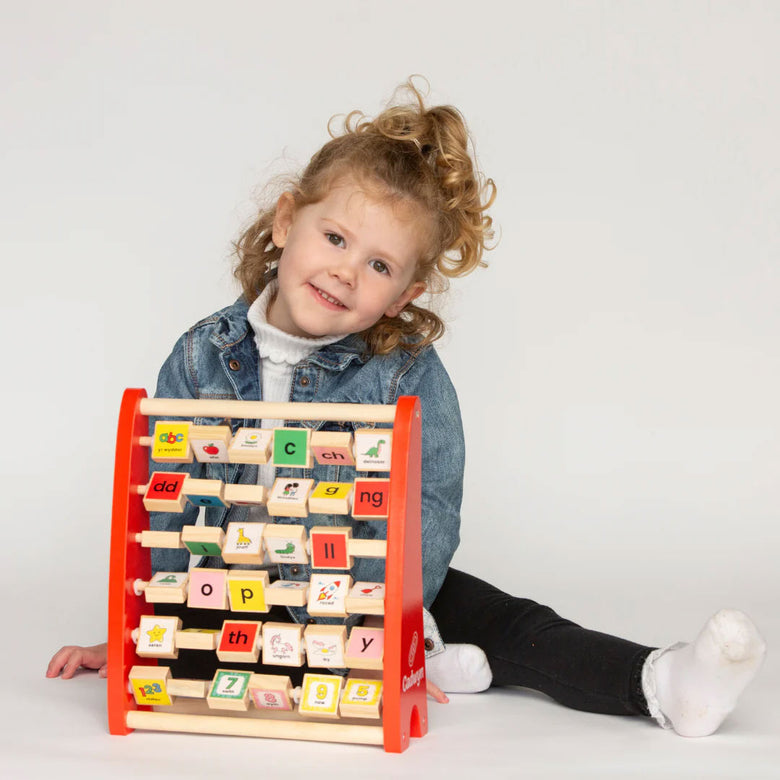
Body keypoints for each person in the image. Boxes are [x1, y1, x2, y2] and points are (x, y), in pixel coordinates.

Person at [47, 79, 765, 738]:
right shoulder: (203, 355)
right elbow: (164, 503)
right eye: (335, 238)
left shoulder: (402, 372)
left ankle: (663, 683)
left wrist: (389, 617)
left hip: (372, 585)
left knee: (511, 621)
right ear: (285, 221)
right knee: (224, 663)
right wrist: (149, 625)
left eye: (379, 267)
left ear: (401, 298)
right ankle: (429, 663)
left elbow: (432, 499)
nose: (344, 271)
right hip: (241, 589)